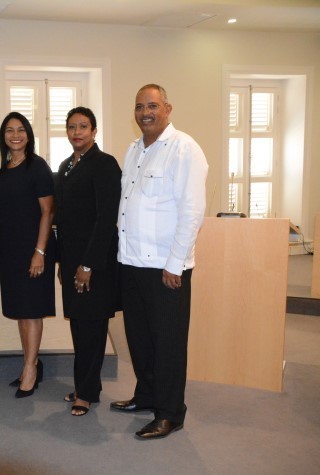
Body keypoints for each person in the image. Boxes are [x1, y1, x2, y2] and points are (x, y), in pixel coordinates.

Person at [112, 84, 208, 439]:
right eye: (139, 107)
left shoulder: (184, 148)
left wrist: (175, 262)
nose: (145, 113)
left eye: (152, 106)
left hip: (166, 268)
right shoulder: (134, 149)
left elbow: (192, 211)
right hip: (132, 262)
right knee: (139, 339)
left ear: (167, 108)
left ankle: (170, 413)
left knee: (167, 343)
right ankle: (147, 395)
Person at [55, 107, 122, 416]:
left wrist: (87, 265)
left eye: (83, 126)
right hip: (72, 261)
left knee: (93, 328)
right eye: (72, 127)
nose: (77, 132)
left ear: (94, 131)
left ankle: (85, 393)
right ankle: (86, 385)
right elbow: (63, 219)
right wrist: (63, 262)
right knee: (80, 327)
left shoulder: (105, 164)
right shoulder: (66, 166)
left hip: (95, 263)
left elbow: (106, 219)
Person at [0, 112, 55, 398]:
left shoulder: (37, 167)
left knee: (31, 310)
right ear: (3, 136)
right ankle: (32, 362)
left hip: (33, 248)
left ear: (28, 135)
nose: (15, 135)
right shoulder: (4, 170)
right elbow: (2, 215)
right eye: (9, 130)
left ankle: (30, 369)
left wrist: (39, 252)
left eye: (20, 130)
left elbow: (47, 212)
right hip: (11, 250)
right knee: (21, 311)